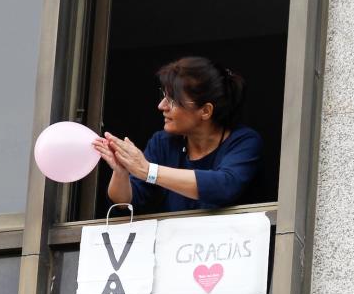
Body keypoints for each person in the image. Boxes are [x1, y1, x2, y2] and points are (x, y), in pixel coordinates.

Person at [92, 56, 262, 213]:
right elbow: (126, 205)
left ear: (205, 111)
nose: (161, 106)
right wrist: (122, 172)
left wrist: (148, 170)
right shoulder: (163, 142)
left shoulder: (244, 141)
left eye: (172, 100)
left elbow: (225, 186)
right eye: (163, 95)